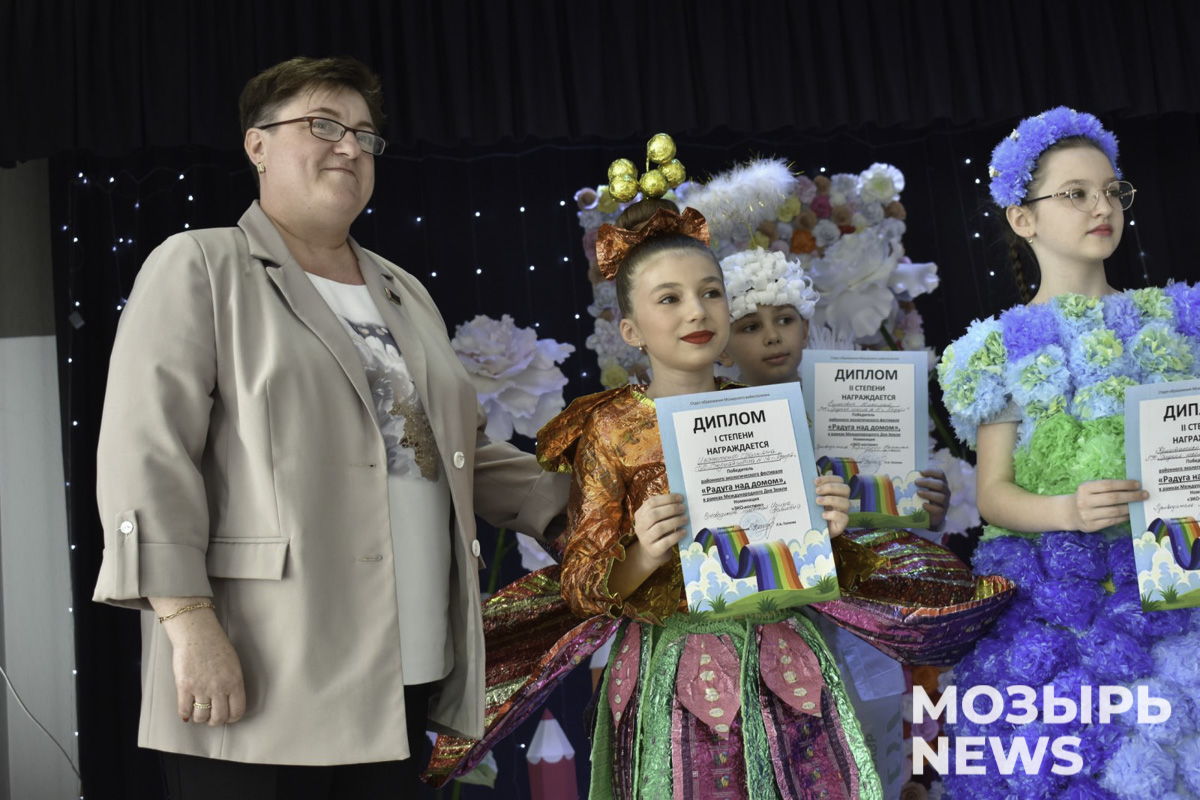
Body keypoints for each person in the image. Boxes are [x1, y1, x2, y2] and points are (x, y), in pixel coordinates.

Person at [91, 56, 569, 799]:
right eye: (324, 125)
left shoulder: (403, 290)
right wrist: (187, 622)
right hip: (262, 670)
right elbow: (146, 454)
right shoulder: (201, 265)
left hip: (403, 670)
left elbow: (456, 452)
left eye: (365, 135)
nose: (350, 146)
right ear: (257, 145)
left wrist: (596, 502)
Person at [540, 200, 883, 799]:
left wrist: (826, 528)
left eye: (711, 293)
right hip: (677, 677)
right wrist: (645, 552)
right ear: (630, 330)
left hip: (784, 663)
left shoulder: (769, 412)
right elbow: (581, 587)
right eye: (669, 299)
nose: (696, 311)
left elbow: (805, 570)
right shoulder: (612, 429)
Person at [937, 107, 1200, 798]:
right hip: (1055, 603)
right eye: (1076, 194)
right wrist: (1067, 510)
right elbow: (993, 493)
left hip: (1177, 587)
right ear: (1023, 218)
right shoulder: (997, 348)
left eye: (1112, 191)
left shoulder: (1180, 323)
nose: (1102, 207)